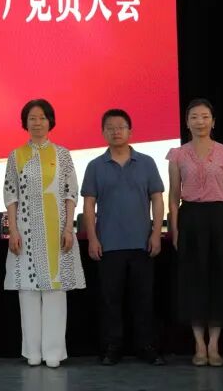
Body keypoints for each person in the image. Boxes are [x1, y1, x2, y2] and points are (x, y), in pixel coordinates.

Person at [3, 99, 86, 368]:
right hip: (25, 231)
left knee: (55, 291)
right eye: (32, 118)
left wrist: (69, 228)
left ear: (50, 121)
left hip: (57, 231)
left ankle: (53, 352)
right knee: (28, 292)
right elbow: (11, 195)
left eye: (42, 118)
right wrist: (13, 229)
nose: (37, 123)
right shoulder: (16, 155)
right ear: (25, 123)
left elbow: (71, 193)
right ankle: (32, 352)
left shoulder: (63, 155)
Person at [167, 98, 223, 367]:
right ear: (187, 122)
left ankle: (214, 345)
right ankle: (198, 345)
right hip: (190, 218)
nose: (199, 121)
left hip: (220, 218)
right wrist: (175, 227)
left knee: (218, 280)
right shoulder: (177, 154)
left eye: (204, 117)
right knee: (193, 280)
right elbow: (174, 195)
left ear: (213, 122)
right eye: (194, 117)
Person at [81, 109, 165, 366]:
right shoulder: (95, 166)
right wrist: (92, 238)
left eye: (121, 127)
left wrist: (156, 233)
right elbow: (88, 205)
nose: (116, 131)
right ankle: (111, 347)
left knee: (143, 299)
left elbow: (157, 199)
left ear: (130, 131)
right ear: (103, 132)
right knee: (110, 300)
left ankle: (147, 347)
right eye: (110, 127)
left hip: (142, 243)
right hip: (108, 244)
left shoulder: (147, 162)